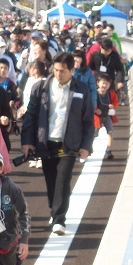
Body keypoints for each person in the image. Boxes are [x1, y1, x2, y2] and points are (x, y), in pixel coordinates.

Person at [21, 52, 95, 236]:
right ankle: (55, 211)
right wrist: (27, 142)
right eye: (55, 70)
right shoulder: (41, 88)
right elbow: (30, 116)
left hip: (69, 143)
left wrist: (86, 145)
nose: (58, 74)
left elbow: (88, 120)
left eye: (62, 71)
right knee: (51, 179)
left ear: (72, 70)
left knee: (63, 179)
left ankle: (59, 219)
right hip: (46, 142)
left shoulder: (82, 89)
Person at [95, 73, 118, 160]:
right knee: (93, 134)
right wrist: (96, 110)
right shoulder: (94, 93)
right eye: (103, 83)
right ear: (98, 83)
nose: (105, 85)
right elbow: (90, 103)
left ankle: (108, 150)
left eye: (107, 84)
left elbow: (116, 101)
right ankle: (88, 149)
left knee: (110, 131)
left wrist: (113, 106)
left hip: (107, 115)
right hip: (96, 117)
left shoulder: (111, 93)